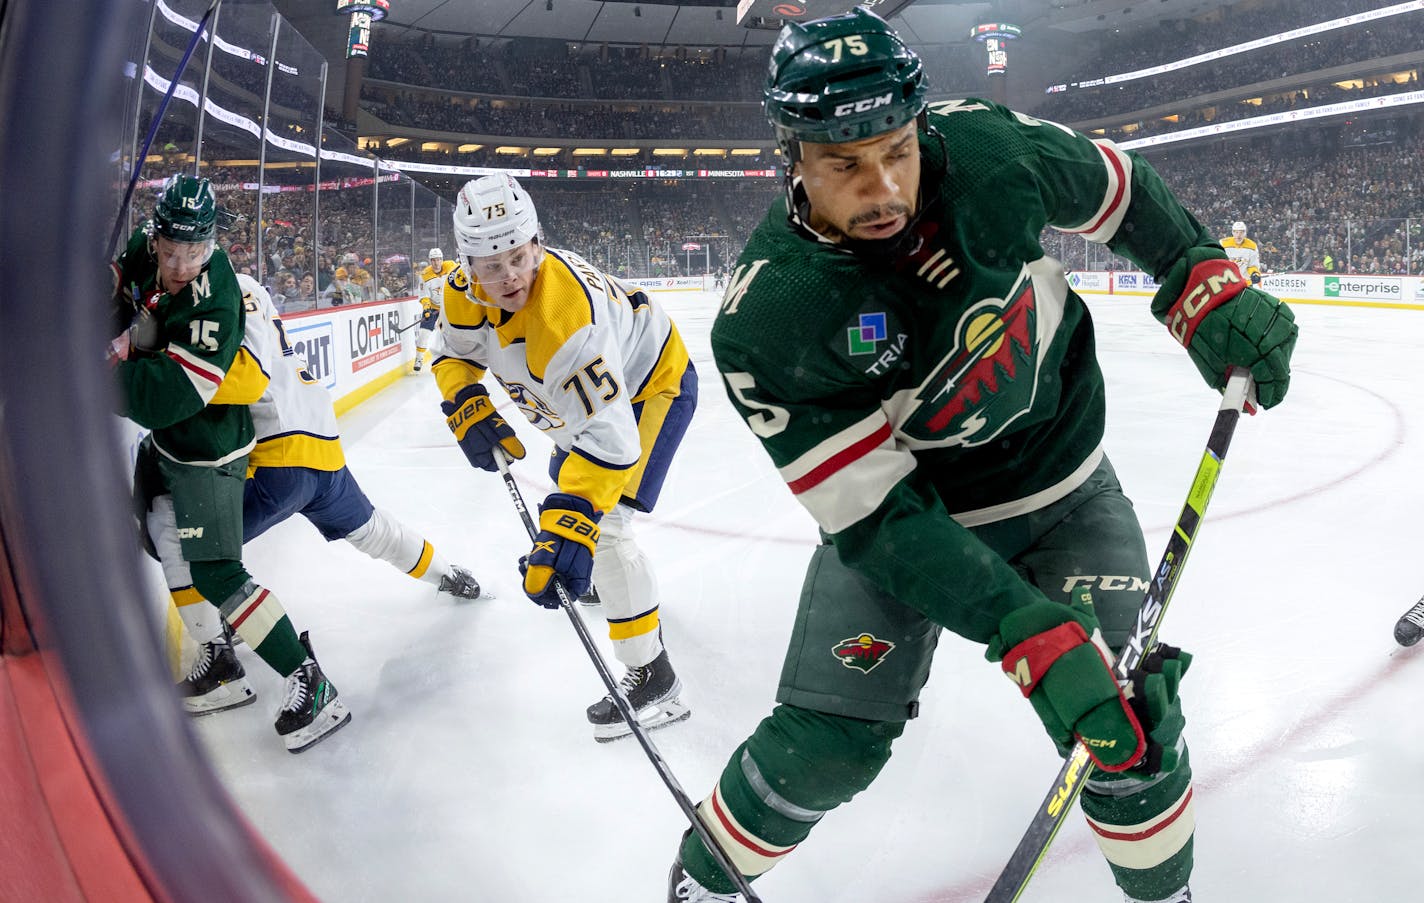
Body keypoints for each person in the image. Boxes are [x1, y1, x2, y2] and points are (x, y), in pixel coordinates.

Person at [666, 9, 1297, 903]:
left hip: (1065, 489)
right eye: (844, 164)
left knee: (1130, 737)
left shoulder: (991, 152)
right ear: (792, 155)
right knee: (824, 745)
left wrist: (1198, 275)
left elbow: (1122, 191)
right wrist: (1025, 628)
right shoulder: (769, 319)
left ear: (920, 126)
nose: (882, 186)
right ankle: (701, 882)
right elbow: (880, 520)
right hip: (915, 526)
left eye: (896, 148)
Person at [432, 173, 699, 742]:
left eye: (518, 257)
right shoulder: (460, 290)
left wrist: (571, 529)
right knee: (578, 509)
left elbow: (610, 443)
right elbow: (451, 352)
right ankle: (608, 582)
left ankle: (655, 678)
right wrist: (467, 399)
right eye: (490, 263)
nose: (508, 276)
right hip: (574, 409)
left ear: (537, 243)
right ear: (467, 263)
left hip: (649, 390)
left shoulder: (565, 322)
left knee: (604, 528)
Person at [154, 273, 491, 715]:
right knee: (372, 530)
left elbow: (233, 380)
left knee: (177, 532)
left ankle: (220, 661)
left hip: (278, 455)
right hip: (323, 445)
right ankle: (449, 574)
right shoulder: (243, 291)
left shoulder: (218, 291)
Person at [110, 174, 350, 754]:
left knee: (216, 571)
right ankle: (220, 663)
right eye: (172, 252)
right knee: (158, 531)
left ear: (212, 243)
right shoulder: (149, 241)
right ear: (158, 234)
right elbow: (124, 279)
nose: (182, 264)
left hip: (208, 451)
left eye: (195, 252)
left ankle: (310, 682)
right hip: (169, 442)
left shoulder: (216, 298)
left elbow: (175, 393)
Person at [414, 247, 456, 372]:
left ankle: (456, 359)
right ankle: (419, 359)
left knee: (454, 333)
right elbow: (424, 295)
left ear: (442, 259)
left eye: (438, 260)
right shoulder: (425, 275)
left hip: (449, 306)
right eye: (433, 260)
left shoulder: (451, 267)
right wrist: (427, 309)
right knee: (423, 334)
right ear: (430, 261)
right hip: (433, 307)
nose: (436, 263)